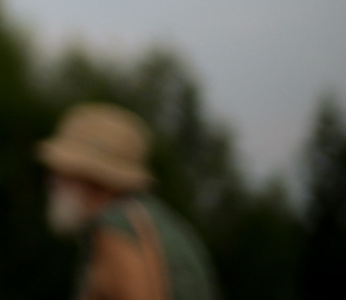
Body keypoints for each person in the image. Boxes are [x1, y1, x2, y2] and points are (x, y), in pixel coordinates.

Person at [40, 103, 219, 300]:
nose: (52, 180)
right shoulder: (149, 218)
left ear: (94, 176)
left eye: (63, 171)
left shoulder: (117, 225)